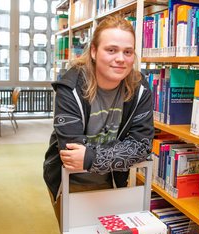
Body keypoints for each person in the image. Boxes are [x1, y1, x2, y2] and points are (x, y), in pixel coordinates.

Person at [43, 15, 154, 221]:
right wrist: (121, 153)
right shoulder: (70, 87)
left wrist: (91, 158)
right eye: (111, 50)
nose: (121, 58)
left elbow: (142, 146)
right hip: (70, 181)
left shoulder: (140, 88)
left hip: (113, 180)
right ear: (94, 51)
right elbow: (71, 154)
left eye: (127, 52)